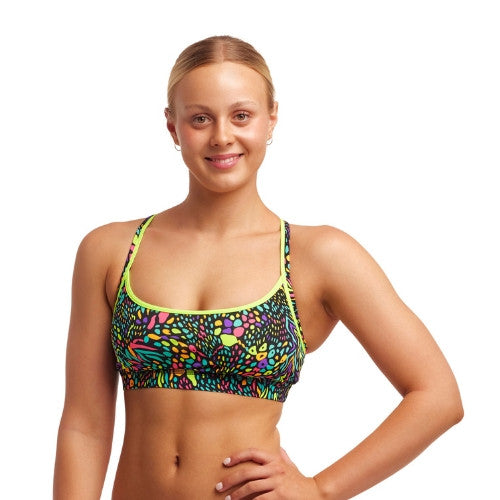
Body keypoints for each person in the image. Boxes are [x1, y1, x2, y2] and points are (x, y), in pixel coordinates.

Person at [53, 35, 463, 500]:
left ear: (271, 119)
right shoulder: (111, 251)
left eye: (241, 116)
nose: (221, 136)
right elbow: (84, 426)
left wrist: (321, 490)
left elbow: (437, 396)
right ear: (172, 127)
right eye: (200, 118)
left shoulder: (317, 256)